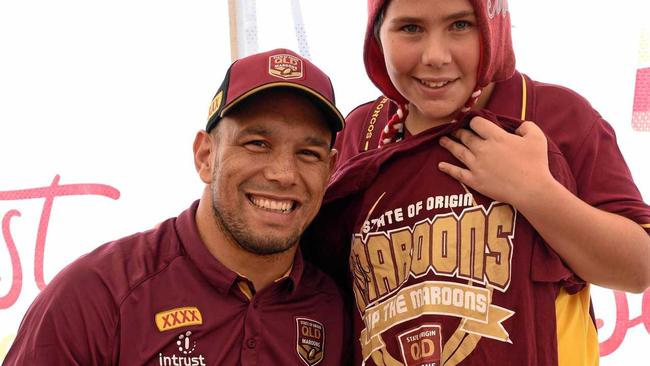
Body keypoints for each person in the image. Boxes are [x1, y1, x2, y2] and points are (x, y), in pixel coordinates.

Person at [303, 1, 650, 365]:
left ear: (492, 25)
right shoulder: (362, 131)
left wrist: (536, 193)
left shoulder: (555, 115)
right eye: (409, 28)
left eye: (460, 25)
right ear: (376, 36)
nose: (435, 56)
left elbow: (639, 266)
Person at [3, 48, 351, 366]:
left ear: (330, 169)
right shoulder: (97, 294)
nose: (283, 174)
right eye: (257, 143)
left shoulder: (336, 310)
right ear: (205, 155)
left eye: (308, 153)